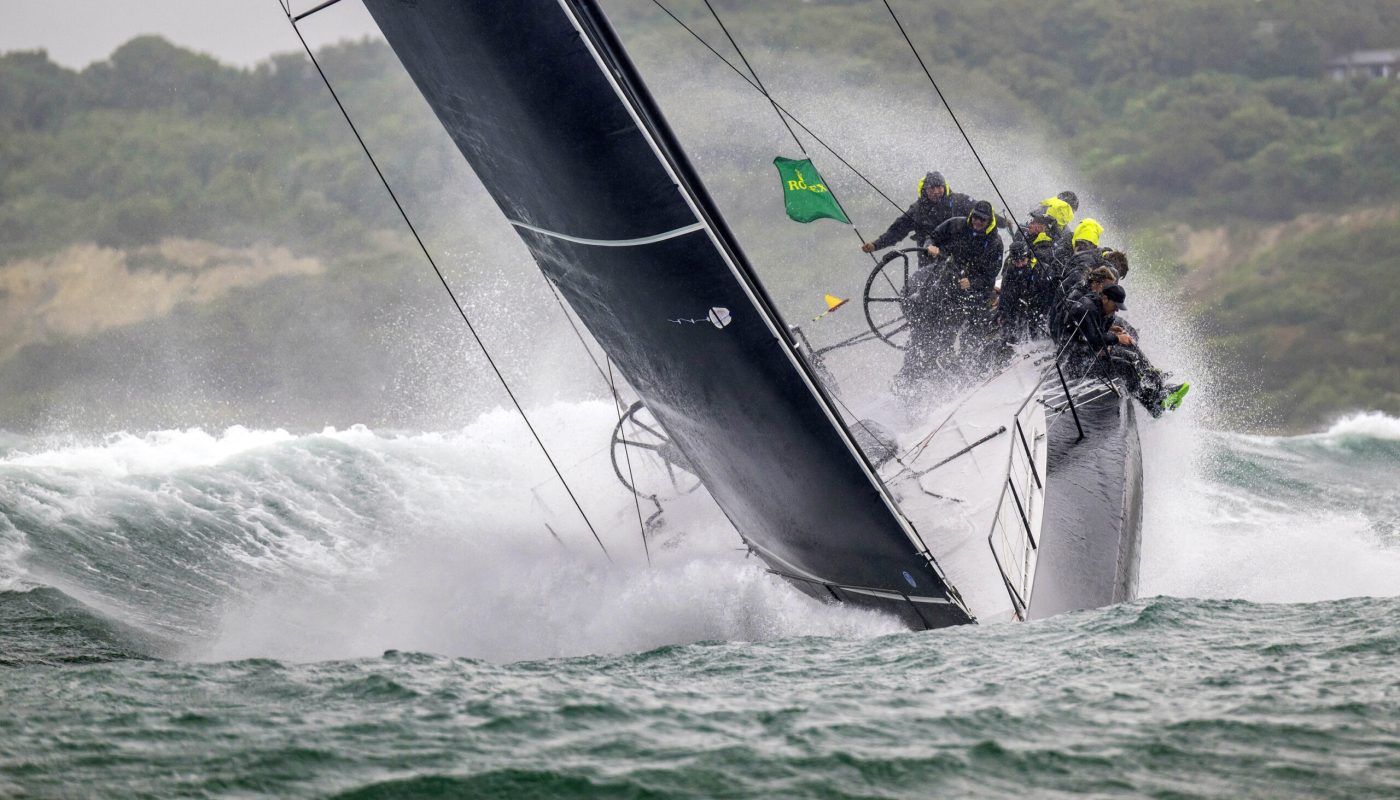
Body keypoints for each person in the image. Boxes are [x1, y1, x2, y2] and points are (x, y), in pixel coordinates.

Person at [893, 200, 1004, 388]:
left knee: (966, 330)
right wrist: (930, 245)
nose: (977, 222)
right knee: (932, 327)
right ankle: (912, 374)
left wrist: (972, 282)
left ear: (989, 221)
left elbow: (991, 274)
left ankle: (963, 372)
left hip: (976, 292)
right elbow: (933, 236)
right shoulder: (956, 224)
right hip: (949, 282)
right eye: (975, 217)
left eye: (982, 220)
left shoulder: (995, 243)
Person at [1063, 284, 1189, 417]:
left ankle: (1156, 385)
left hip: (1090, 354)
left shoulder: (1099, 307)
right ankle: (1151, 404)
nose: (1117, 310)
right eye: (1115, 305)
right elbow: (1092, 338)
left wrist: (1112, 331)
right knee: (1126, 368)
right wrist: (1117, 338)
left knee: (1131, 351)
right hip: (1077, 364)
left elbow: (1091, 332)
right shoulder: (1087, 309)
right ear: (1105, 298)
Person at [860, 171, 974, 263]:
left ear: (945, 187)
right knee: (916, 288)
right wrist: (875, 245)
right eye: (931, 188)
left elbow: (986, 216)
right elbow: (896, 232)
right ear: (924, 190)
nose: (936, 192)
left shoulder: (960, 201)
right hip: (928, 263)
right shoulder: (917, 210)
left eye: (939, 187)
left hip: (958, 261)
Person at [996, 239, 1055, 340]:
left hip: (1038, 314)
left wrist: (1032, 305)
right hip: (1017, 314)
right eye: (1016, 262)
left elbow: (1048, 298)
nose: (1020, 265)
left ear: (1029, 257)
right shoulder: (1009, 273)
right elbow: (1004, 296)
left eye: (1022, 260)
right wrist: (1002, 312)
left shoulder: (1042, 270)